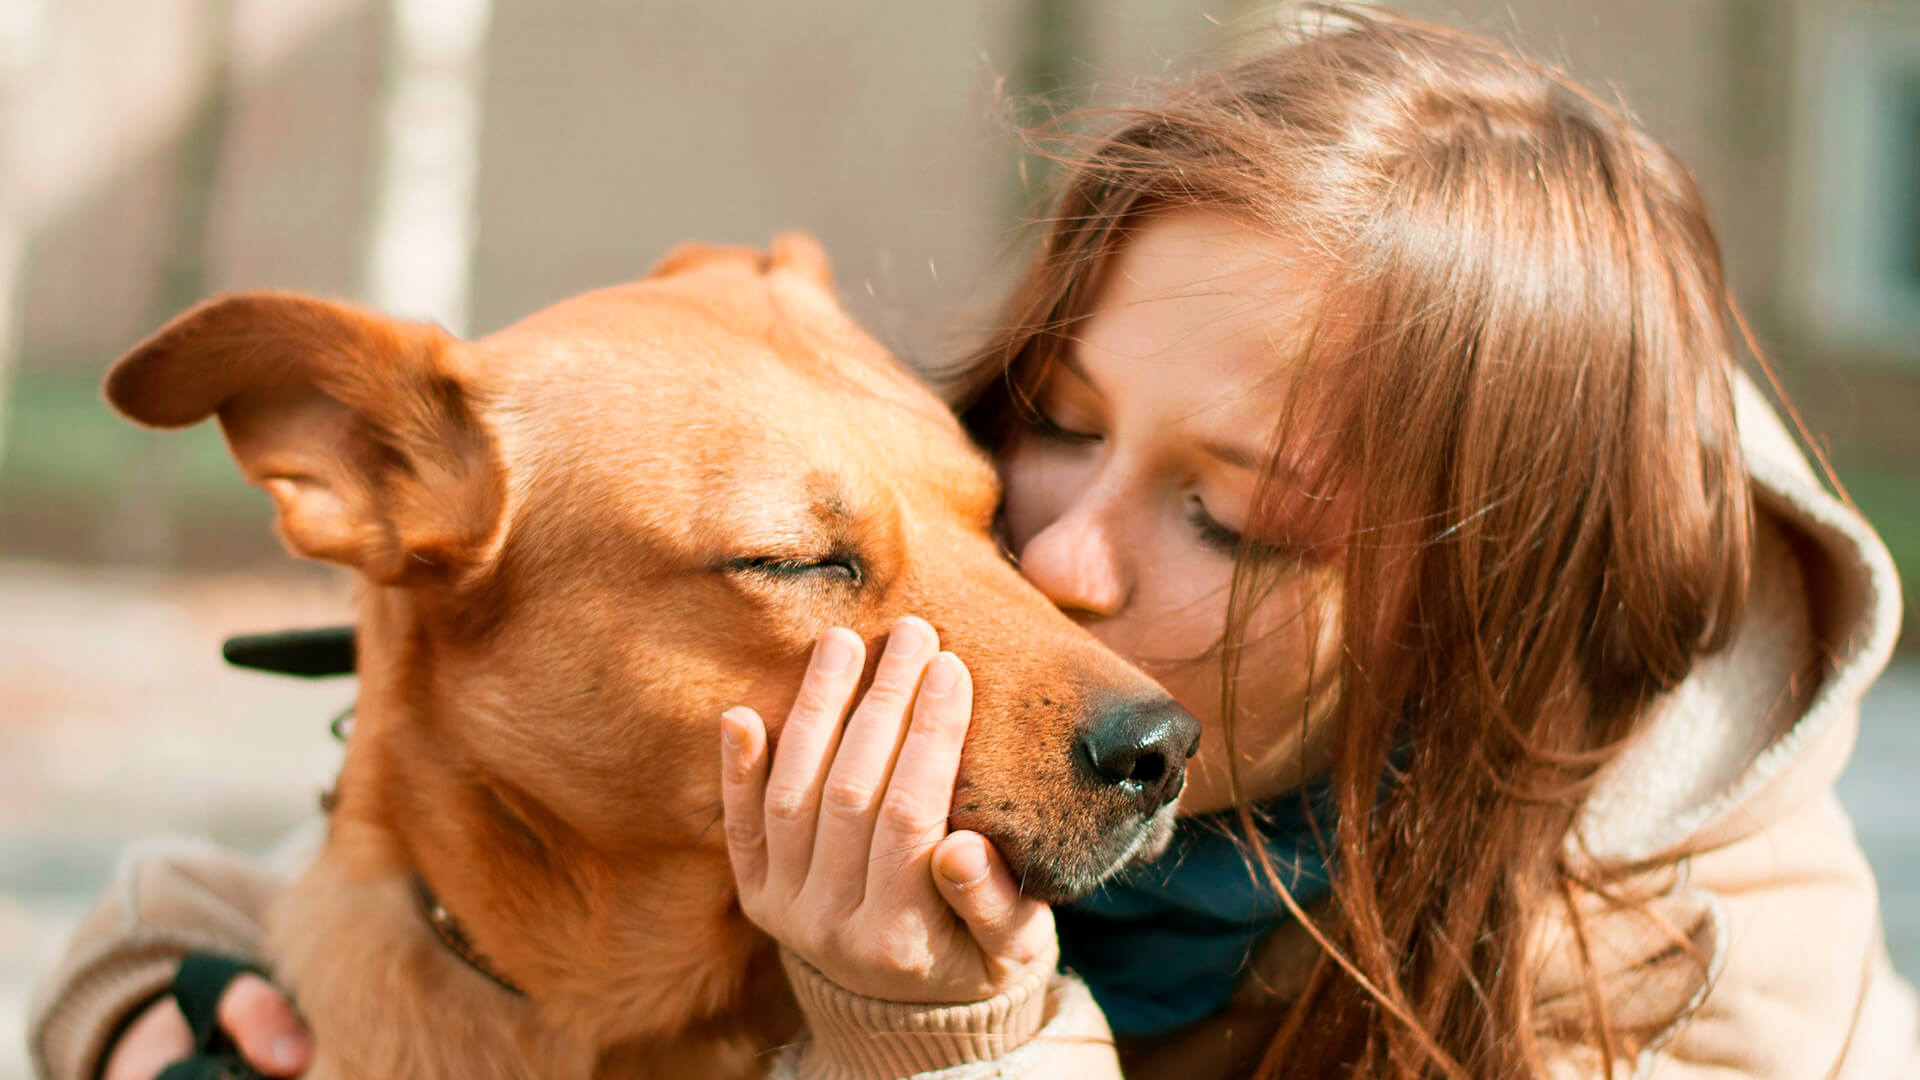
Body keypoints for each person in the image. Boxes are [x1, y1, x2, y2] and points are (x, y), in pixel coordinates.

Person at [30, 7, 1917, 1079]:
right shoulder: (822, 764)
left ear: (1480, 616)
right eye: (1048, 425)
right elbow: (371, 878)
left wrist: (940, 1030)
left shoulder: (1718, 971)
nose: (1056, 574)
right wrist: (146, 1028)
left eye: (1237, 520)